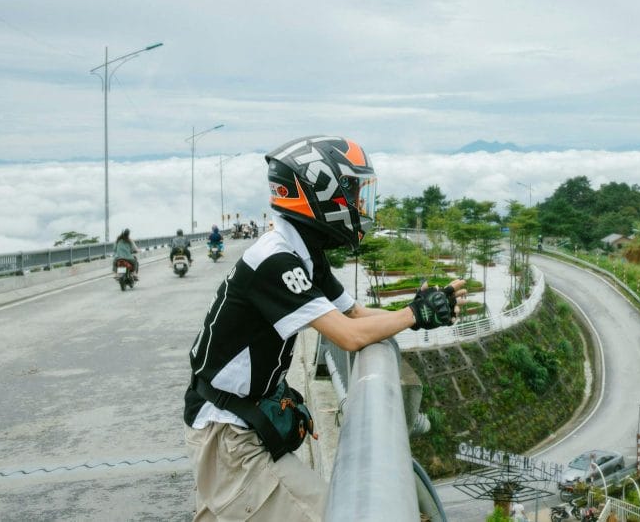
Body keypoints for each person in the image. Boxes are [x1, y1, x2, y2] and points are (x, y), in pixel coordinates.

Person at [183, 135, 466, 520]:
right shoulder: (276, 259)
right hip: (230, 436)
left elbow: (352, 315)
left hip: (237, 428)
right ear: (321, 192)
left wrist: (416, 314)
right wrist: (413, 314)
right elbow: (348, 337)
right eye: (352, 192)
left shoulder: (302, 252)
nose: (360, 205)